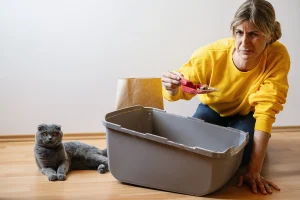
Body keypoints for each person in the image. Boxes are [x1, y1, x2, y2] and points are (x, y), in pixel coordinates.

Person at [161, 0, 290, 195]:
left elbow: (267, 108)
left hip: (247, 112)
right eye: (239, 33)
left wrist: (254, 171)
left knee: (241, 156)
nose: (244, 43)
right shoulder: (211, 55)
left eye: (254, 34)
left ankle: (249, 143)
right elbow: (181, 90)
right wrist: (171, 89)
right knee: (193, 144)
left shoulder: (277, 56)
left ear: (269, 35)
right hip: (212, 108)